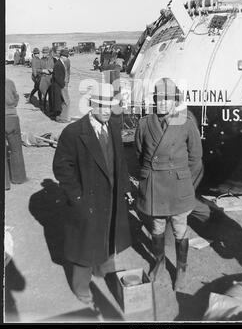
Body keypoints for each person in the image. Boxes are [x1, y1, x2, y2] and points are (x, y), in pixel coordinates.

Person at [52, 83, 132, 307]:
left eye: (110, 106)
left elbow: (120, 162)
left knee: (107, 236)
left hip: (110, 197)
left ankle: (103, 268)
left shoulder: (113, 127)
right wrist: (77, 198)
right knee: (85, 246)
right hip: (87, 200)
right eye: (102, 105)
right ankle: (81, 287)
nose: (107, 110)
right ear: (92, 104)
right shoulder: (74, 132)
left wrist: (124, 188)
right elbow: (61, 169)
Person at [135, 77, 203, 291]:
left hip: (178, 187)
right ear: (154, 100)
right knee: (156, 227)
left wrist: (185, 182)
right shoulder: (145, 123)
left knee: (179, 229)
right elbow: (140, 154)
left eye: (168, 98)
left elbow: (196, 158)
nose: (163, 102)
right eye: (159, 98)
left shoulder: (186, 122)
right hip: (155, 185)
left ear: (175, 100)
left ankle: (181, 271)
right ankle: (159, 264)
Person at [5, 78, 27, 184]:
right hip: (12, 118)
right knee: (16, 150)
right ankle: (19, 178)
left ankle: (5, 184)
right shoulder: (9, 82)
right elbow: (16, 99)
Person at [51, 48, 71, 122]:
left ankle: (61, 116)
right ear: (62, 56)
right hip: (59, 86)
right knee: (62, 101)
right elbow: (57, 77)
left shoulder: (61, 63)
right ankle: (60, 118)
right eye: (66, 56)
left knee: (61, 101)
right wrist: (63, 85)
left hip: (60, 85)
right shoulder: (58, 64)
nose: (67, 58)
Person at [39, 46, 54, 111]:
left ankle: (51, 108)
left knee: (51, 94)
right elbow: (37, 69)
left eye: (46, 52)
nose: (44, 54)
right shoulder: (41, 60)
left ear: (48, 53)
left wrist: (50, 70)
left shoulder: (52, 59)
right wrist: (42, 71)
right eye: (43, 52)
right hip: (43, 78)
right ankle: (44, 107)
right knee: (44, 94)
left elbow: (55, 68)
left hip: (50, 78)